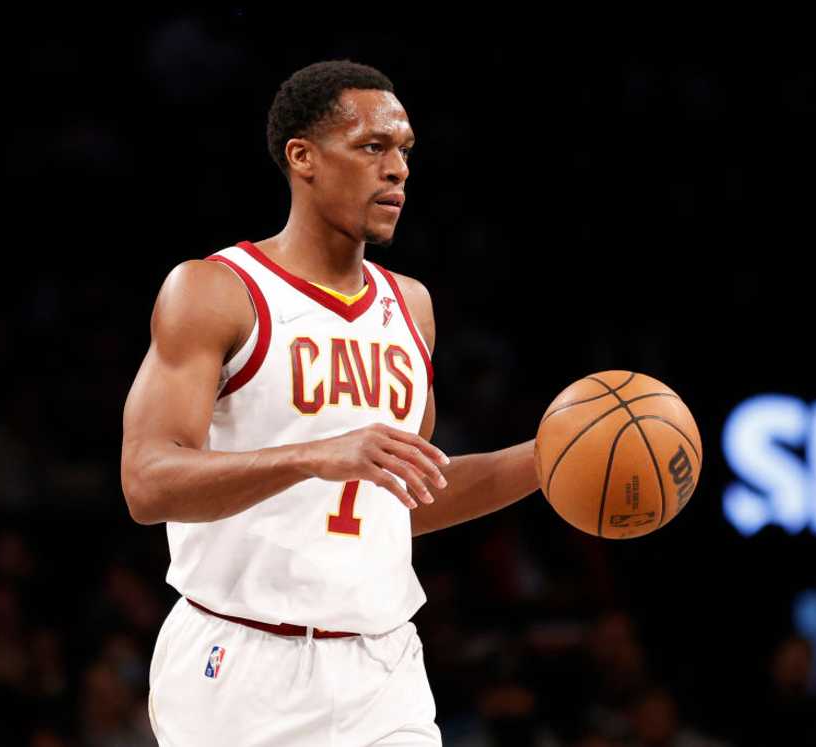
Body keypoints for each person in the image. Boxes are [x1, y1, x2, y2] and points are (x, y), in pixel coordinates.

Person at [120, 59, 539, 745]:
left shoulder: (413, 307)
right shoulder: (216, 291)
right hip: (239, 666)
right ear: (302, 157)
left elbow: (404, 497)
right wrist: (317, 455)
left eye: (404, 150)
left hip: (384, 668)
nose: (398, 169)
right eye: (373, 146)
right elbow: (146, 480)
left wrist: (549, 459)